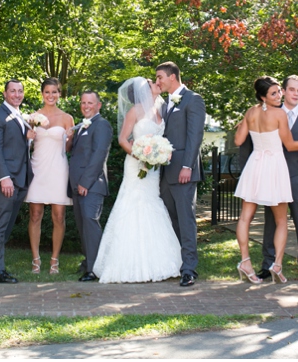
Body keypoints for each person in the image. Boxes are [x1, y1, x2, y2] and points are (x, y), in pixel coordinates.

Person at [233, 76, 298, 284]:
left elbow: (238, 140)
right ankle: (275, 265)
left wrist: (246, 121)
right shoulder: (278, 114)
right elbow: (291, 145)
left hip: (255, 166)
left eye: (279, 92)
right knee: (280, 220)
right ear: (263, 97)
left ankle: (245, 261)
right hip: (274, 167)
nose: (280, 96)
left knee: (244, 218)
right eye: (275, 93)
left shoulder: (250, 112)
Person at [93, 77, 182, 283]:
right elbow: (123, 139)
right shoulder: (135, 111)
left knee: (152, 203)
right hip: (137, 165)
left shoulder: (161, 108)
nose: (157, 84)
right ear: (143, 90)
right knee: (134, 204)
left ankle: (159, 262)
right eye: (153, 82)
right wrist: (141, 156)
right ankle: (128, 264)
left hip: (153, 168)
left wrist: (160, 155)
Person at [156, 61, 206, 287]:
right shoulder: (165, 103)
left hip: (184, 171)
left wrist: (188, 166)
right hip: (165, 172)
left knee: (186, 221)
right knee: (171, 219)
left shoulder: (193, 99)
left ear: (173, 77)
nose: (158, 82)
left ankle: (189, 269)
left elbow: (195, 136)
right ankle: (175, 262)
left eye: (160, 77)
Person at [0, 79, 36, 284]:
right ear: (4, 93)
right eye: (12, 91)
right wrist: (4, 178)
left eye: (20, 91)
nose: (17, 94)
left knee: (6, 225)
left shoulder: (21, 116)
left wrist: (29, 139)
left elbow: (16, 147)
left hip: (21, 180)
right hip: (6, 180)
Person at [25, 77, 74, 275]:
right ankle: (35, 259)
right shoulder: (32, 117)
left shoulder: (66, 118)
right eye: (47, 92)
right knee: (35, 214)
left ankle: (54, 259)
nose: (51, 95)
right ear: (42, 94)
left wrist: (70, 136)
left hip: (58, 168)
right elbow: (25, 145)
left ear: (60, 94)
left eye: (54, 92)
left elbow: (69, 148)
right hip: (37, 168)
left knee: (59, 216)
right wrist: (27, 138)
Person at [68, 90, 113, 281]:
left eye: (90, 103)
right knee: (82, 226)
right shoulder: (82, 126)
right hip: (78, 186)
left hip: (92, 185)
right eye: (83, 102)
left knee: (90, 224)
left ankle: (95, 269)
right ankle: (88, 263)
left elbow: (98, 155)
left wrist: (85, 182)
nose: (86, 106)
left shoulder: (102, 125)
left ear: (98, 105)